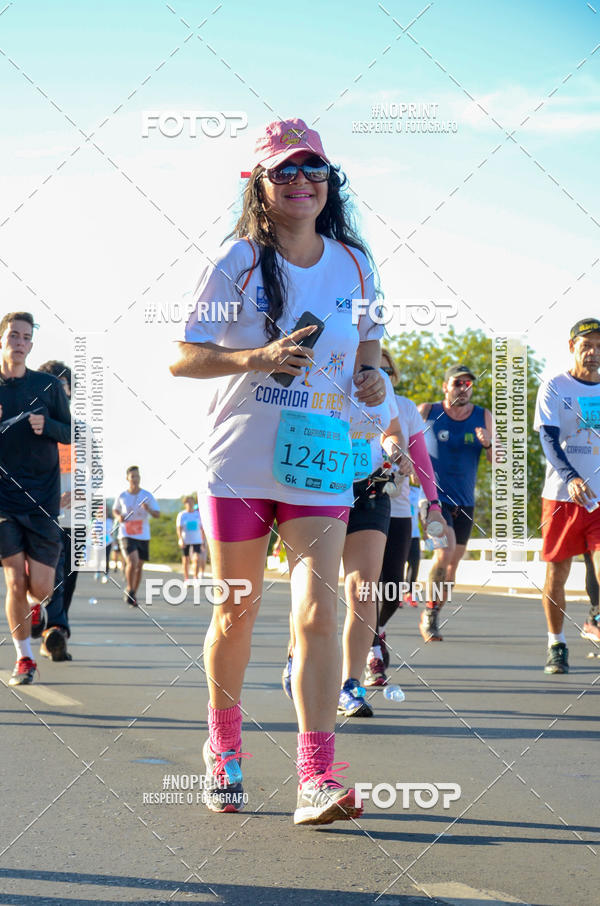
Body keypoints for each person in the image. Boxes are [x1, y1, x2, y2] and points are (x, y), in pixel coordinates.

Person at [170, 117, 385, 824]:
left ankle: (316, 778)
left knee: (320, 614)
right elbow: (184, 357)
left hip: (319, 457)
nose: (300, 181)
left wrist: (372, 380)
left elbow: (368, 350)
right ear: (260, 185)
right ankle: (223, 749)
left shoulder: (355, 263)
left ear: (330, 182)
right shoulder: (235, 260)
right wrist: (256, 359)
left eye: (312, 169)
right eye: (284, 170)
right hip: (240, 459)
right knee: (237, 607)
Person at [365, 349, 445, 685]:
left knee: (394, 588)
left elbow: (422, 459)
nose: (378, 375)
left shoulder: (407, 409)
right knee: (363, 585)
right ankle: (369, 652)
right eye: (371, 369)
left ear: (393, 375)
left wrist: (433, 502)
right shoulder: (346, 400)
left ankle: (377, 630)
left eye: (385, 370)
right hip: (356, 500)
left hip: (396, 507)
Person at [0, 313, 71, 684]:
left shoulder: (49, 386)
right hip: (3, 501)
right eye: (14, 334)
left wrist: (50, 428)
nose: (20, 341)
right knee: (13, 579)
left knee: (41, 588)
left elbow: (72, 431)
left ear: (31, 345)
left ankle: (34, 607)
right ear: (2, 339)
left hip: (42, 498)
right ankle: (24, 659)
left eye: (26, 337)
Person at [534, 318, 600, 674]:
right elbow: (548, 438)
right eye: (587, 345)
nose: (593, 353)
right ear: (572, 346)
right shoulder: (555, 387)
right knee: (557, 574)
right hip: (563, 496)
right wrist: (571, 477)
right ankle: (556, 643)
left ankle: (596, 617)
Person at [418, 364, 493, 642]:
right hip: (434, 500)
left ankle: (435, 610)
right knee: (443, 553)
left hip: (465, 502)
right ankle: (429, 614)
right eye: (458, 383)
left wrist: (488, 445)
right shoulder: (427, 411)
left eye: (468, 384)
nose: (463, 388)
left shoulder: (483, 416)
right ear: (445, 387)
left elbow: (496, 459)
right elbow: (406, 442)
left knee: (452, 567)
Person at [37, 360, 77, 661]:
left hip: (75, 518)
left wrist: (79, 493)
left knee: (68, 577)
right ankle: (56, 628)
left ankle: (53, 631)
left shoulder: (81, 430)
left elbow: (95, 472)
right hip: (39, 515)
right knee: (49, 577)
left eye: (65, 390)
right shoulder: (30, 425)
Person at [113, 466, 160, 607]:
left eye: (137, 476)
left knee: (139, 566)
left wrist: (148, 509)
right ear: (127, 478)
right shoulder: (122, 496)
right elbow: (115, 510)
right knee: (132, 562)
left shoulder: (147, 495)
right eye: (132, 476)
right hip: (126, 533)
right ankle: (129, 588)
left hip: (143, 535)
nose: (135, 479)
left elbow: (157, 514)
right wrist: (118, 516)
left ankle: (133, 591)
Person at [176, 496, 207, 581]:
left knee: (196, 558)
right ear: (185, 504)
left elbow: (202, 528)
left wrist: (203, 541)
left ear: (194, 503)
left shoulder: (198, 515)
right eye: (188, 502)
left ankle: (195, 577)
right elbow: (179, 528)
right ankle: (186, 579)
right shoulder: (182, 515)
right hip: (186, 540)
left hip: (197, 540)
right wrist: (180, 539)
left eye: (191, 502)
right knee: (186, 560)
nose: (190, 504)